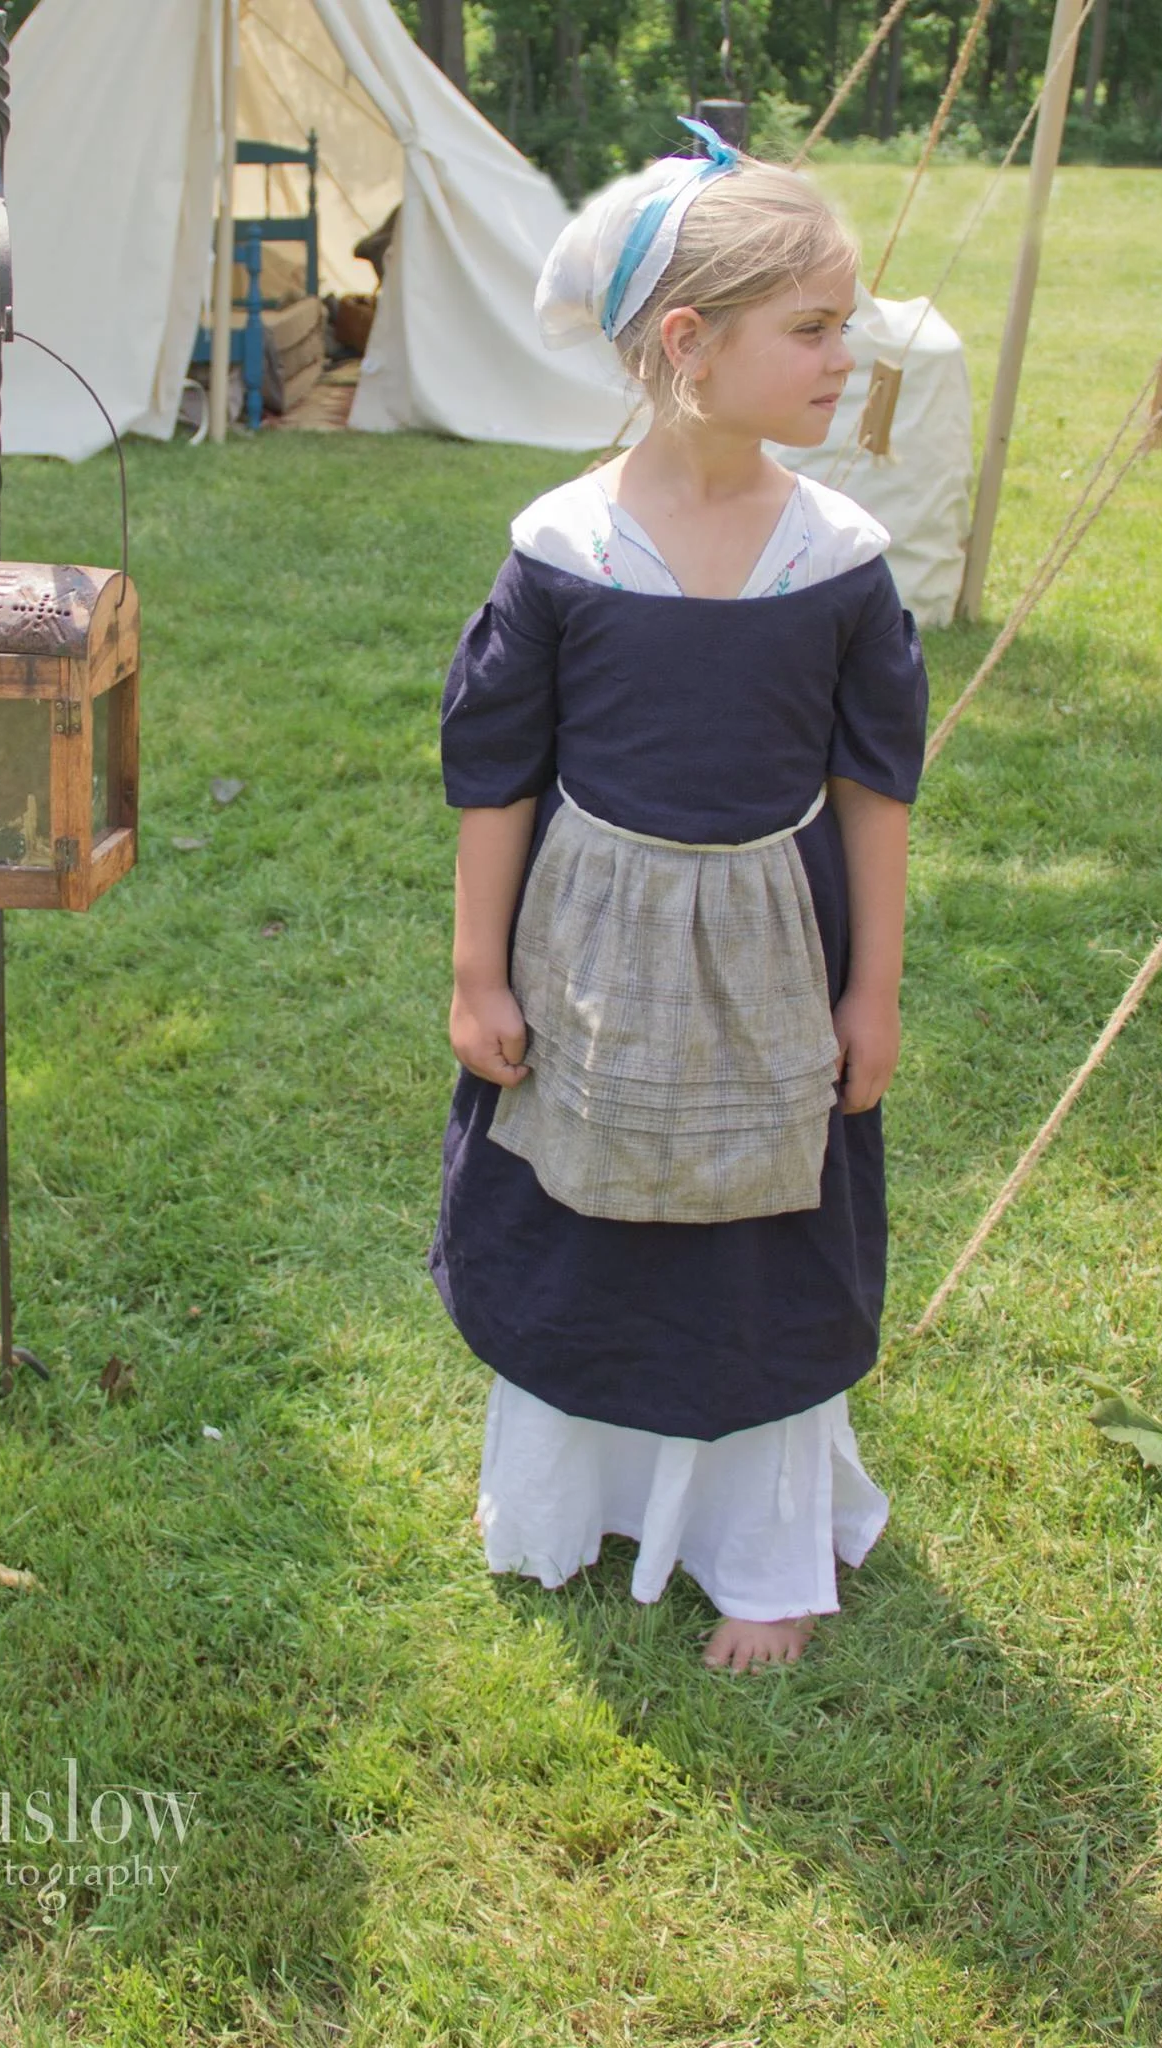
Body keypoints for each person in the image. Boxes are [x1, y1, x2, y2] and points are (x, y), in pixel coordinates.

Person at [428, 117, 930, 1675]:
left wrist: (869, 991)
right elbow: (495, 776)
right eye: (815, 327)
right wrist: (474, 975)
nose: (846, 355)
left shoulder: (836, 560)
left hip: (773, 959)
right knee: (583, 1209)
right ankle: (566, 1499)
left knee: (756, 1244)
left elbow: (875, 791)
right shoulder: (562, 552)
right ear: (689, 344)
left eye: (842, 323)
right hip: (587, 949)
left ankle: (760, 1550)